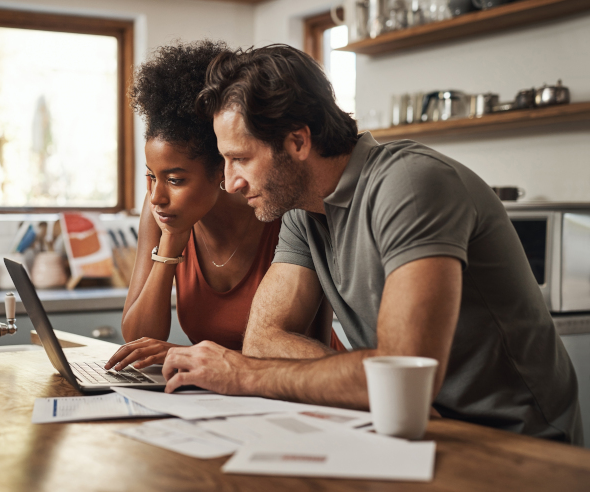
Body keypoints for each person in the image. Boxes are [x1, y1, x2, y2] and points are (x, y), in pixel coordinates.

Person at [160, 44, 582, 445]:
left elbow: (401, 377)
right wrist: (369, 384)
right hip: (409, 427)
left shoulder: (411, 185)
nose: (232, 183)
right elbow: (264, 340)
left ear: (298, 142)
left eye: (241, 159)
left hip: (512, 442)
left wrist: (246, 375)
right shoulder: (301, 212)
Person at [105, 41, 343, 373]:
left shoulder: (280, 208)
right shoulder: (162, 212)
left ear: (221, 169)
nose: (156, 196)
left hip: (303, 384)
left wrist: (186, 354)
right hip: (220, 391)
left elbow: (298, 345)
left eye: (175, 180)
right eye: (150, 176)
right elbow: (137, 339)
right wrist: (172, 242)